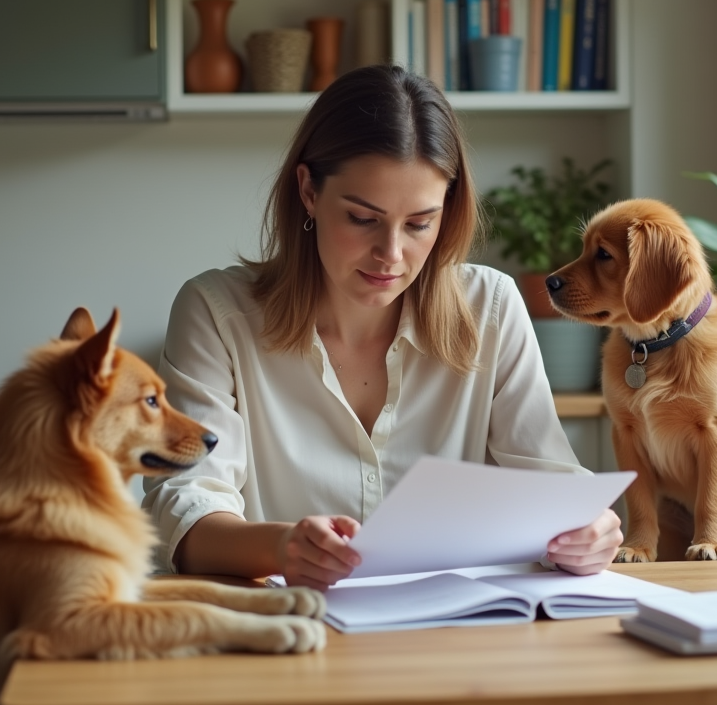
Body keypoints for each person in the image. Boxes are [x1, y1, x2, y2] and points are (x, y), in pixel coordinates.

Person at [143, 63, 622, 595]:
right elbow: (184, 504)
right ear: (308, 190)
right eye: (362, 218)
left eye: (419, 224)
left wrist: (591, 532)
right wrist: (281, 548)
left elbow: (552, 488)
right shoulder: (215, 311)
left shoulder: (492, 306)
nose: (391, 255)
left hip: (452, 646)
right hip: (281, 641)